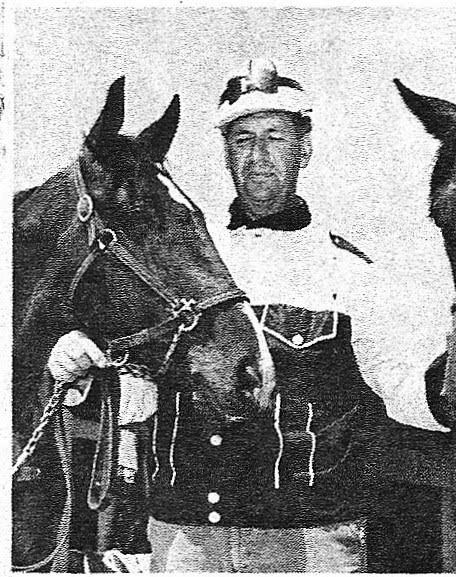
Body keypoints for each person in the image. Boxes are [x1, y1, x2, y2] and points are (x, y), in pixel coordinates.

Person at [48, 59, 421, 572]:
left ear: (304, 149)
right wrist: (71, 354)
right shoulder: (181, 260)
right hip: (184, 538)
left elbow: (401, 386)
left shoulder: (352, 271)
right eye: (243, 140)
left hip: (309, 540)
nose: (259, 155)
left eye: (275, 137)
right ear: (226, 154)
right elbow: (125, 365)